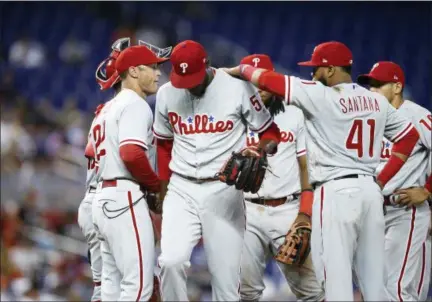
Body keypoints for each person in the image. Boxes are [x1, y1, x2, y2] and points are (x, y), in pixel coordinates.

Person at [223, 41, 420, 301]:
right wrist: (380, 180)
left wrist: (240, 69)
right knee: (374, 283)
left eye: (316, 69)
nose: (312, 74)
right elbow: (408, 137)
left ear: (329, 70)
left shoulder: (321, 95)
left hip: (335, 191)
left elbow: (270, 80)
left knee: (334, 282)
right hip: (370, 193)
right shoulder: (376, 101)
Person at [153, 40, 281, 301]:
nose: (188, 84)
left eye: (194, 78)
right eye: (182, 78)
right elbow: (164, 146)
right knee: (170, 262)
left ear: (207, 64)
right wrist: (163, 193)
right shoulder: (166, 93)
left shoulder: (237, 88)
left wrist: (260, 150)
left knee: (225, 280)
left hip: (223, 188)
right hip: (181, 187)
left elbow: (270, 132)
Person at [238, 54, 324, 301]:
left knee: (313, 292)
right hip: (246, 211)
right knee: (246, 292)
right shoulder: (234, 115)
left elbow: (307, 167)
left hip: (288, 210)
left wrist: (305, 213)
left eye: (262, 82)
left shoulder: (294, 113)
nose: (257, 89)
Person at [90, 45, 168, 301]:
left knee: (111, 288)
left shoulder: (105, 110)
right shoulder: (135, 104)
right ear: (134, 71)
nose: (158, 74)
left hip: (102, 198)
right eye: (153, 67)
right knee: (139, 287)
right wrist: (155, 185)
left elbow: (90, 152)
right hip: (124, 198)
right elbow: (131, 153)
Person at [357, 61, 431, 301]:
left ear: (397, 87)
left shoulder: (418, 116)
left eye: (378, 85)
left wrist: (428, 190)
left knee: (396, 289)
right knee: (374, 289)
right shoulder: (370, 119)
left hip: (404, 210)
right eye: (370, 85)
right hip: (374, 212)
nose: (372, 90)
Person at [77, 37, 128, 302]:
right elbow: (131, 157)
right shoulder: (128, 110)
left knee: (104, 291)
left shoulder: (103, 112)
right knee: (133, 287)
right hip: (111, 202)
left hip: (93, 202)